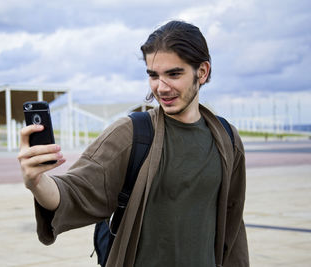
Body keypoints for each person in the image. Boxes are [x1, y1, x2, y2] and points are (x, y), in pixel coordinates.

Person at [18, 20, 249, 267]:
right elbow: (74, 192)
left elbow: (232, 226)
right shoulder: (132, 133)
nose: (161, 87)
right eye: (153, 75)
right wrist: (37, 182)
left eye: (173, 74)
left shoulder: (227, 138)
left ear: (202, 72)